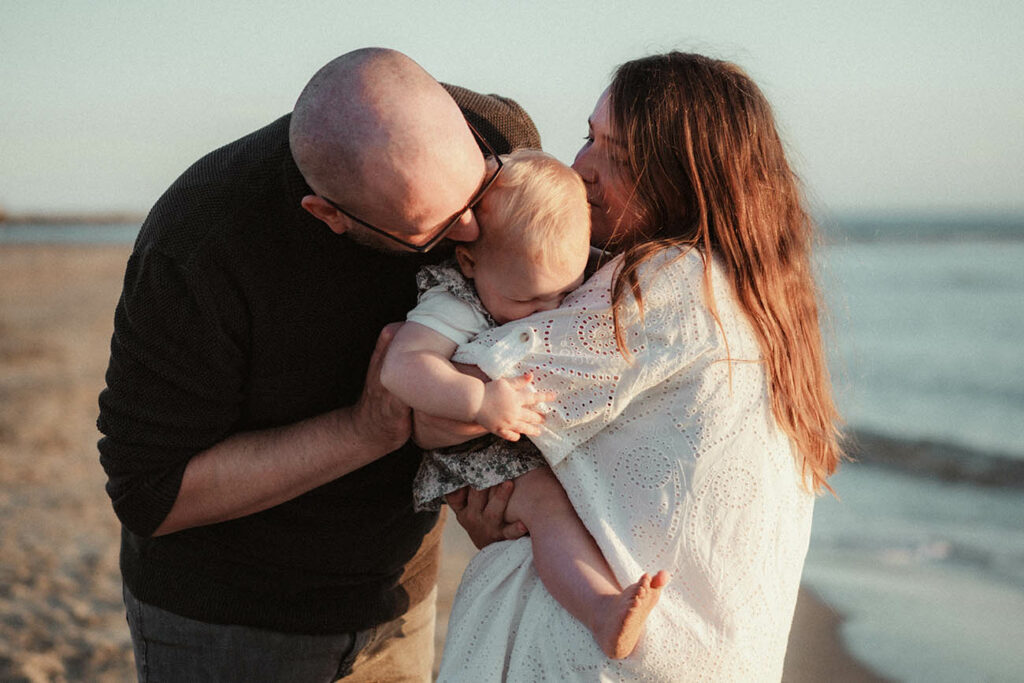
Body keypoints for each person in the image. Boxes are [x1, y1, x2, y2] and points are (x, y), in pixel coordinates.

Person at [96, 47, 541, 682]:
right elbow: (149, 492)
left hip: (404, 592)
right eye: (435, 232)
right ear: (326, 214)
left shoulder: (501, 141)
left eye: (480, 193)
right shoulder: (200, 241)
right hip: (232, 624)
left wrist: (486, 481)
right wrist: (367, 429)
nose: (473, 233)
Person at [427, 51, 844, 681]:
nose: (581, 169)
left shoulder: (666, 285)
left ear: (683, 180)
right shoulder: (769, 301)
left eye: (618, 157)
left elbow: (452, 391)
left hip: (598, 661)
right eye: (589, 138)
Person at [381, 148, 668, 659]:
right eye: (528, 303)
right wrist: (479, 400)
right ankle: (600, 611)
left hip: (521, 437)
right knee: (547, 508)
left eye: (564, 293)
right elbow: (401, 369)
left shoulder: (541, 272)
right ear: (469, 261)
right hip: (475, 455)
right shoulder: (453, 301)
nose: (546, 314)